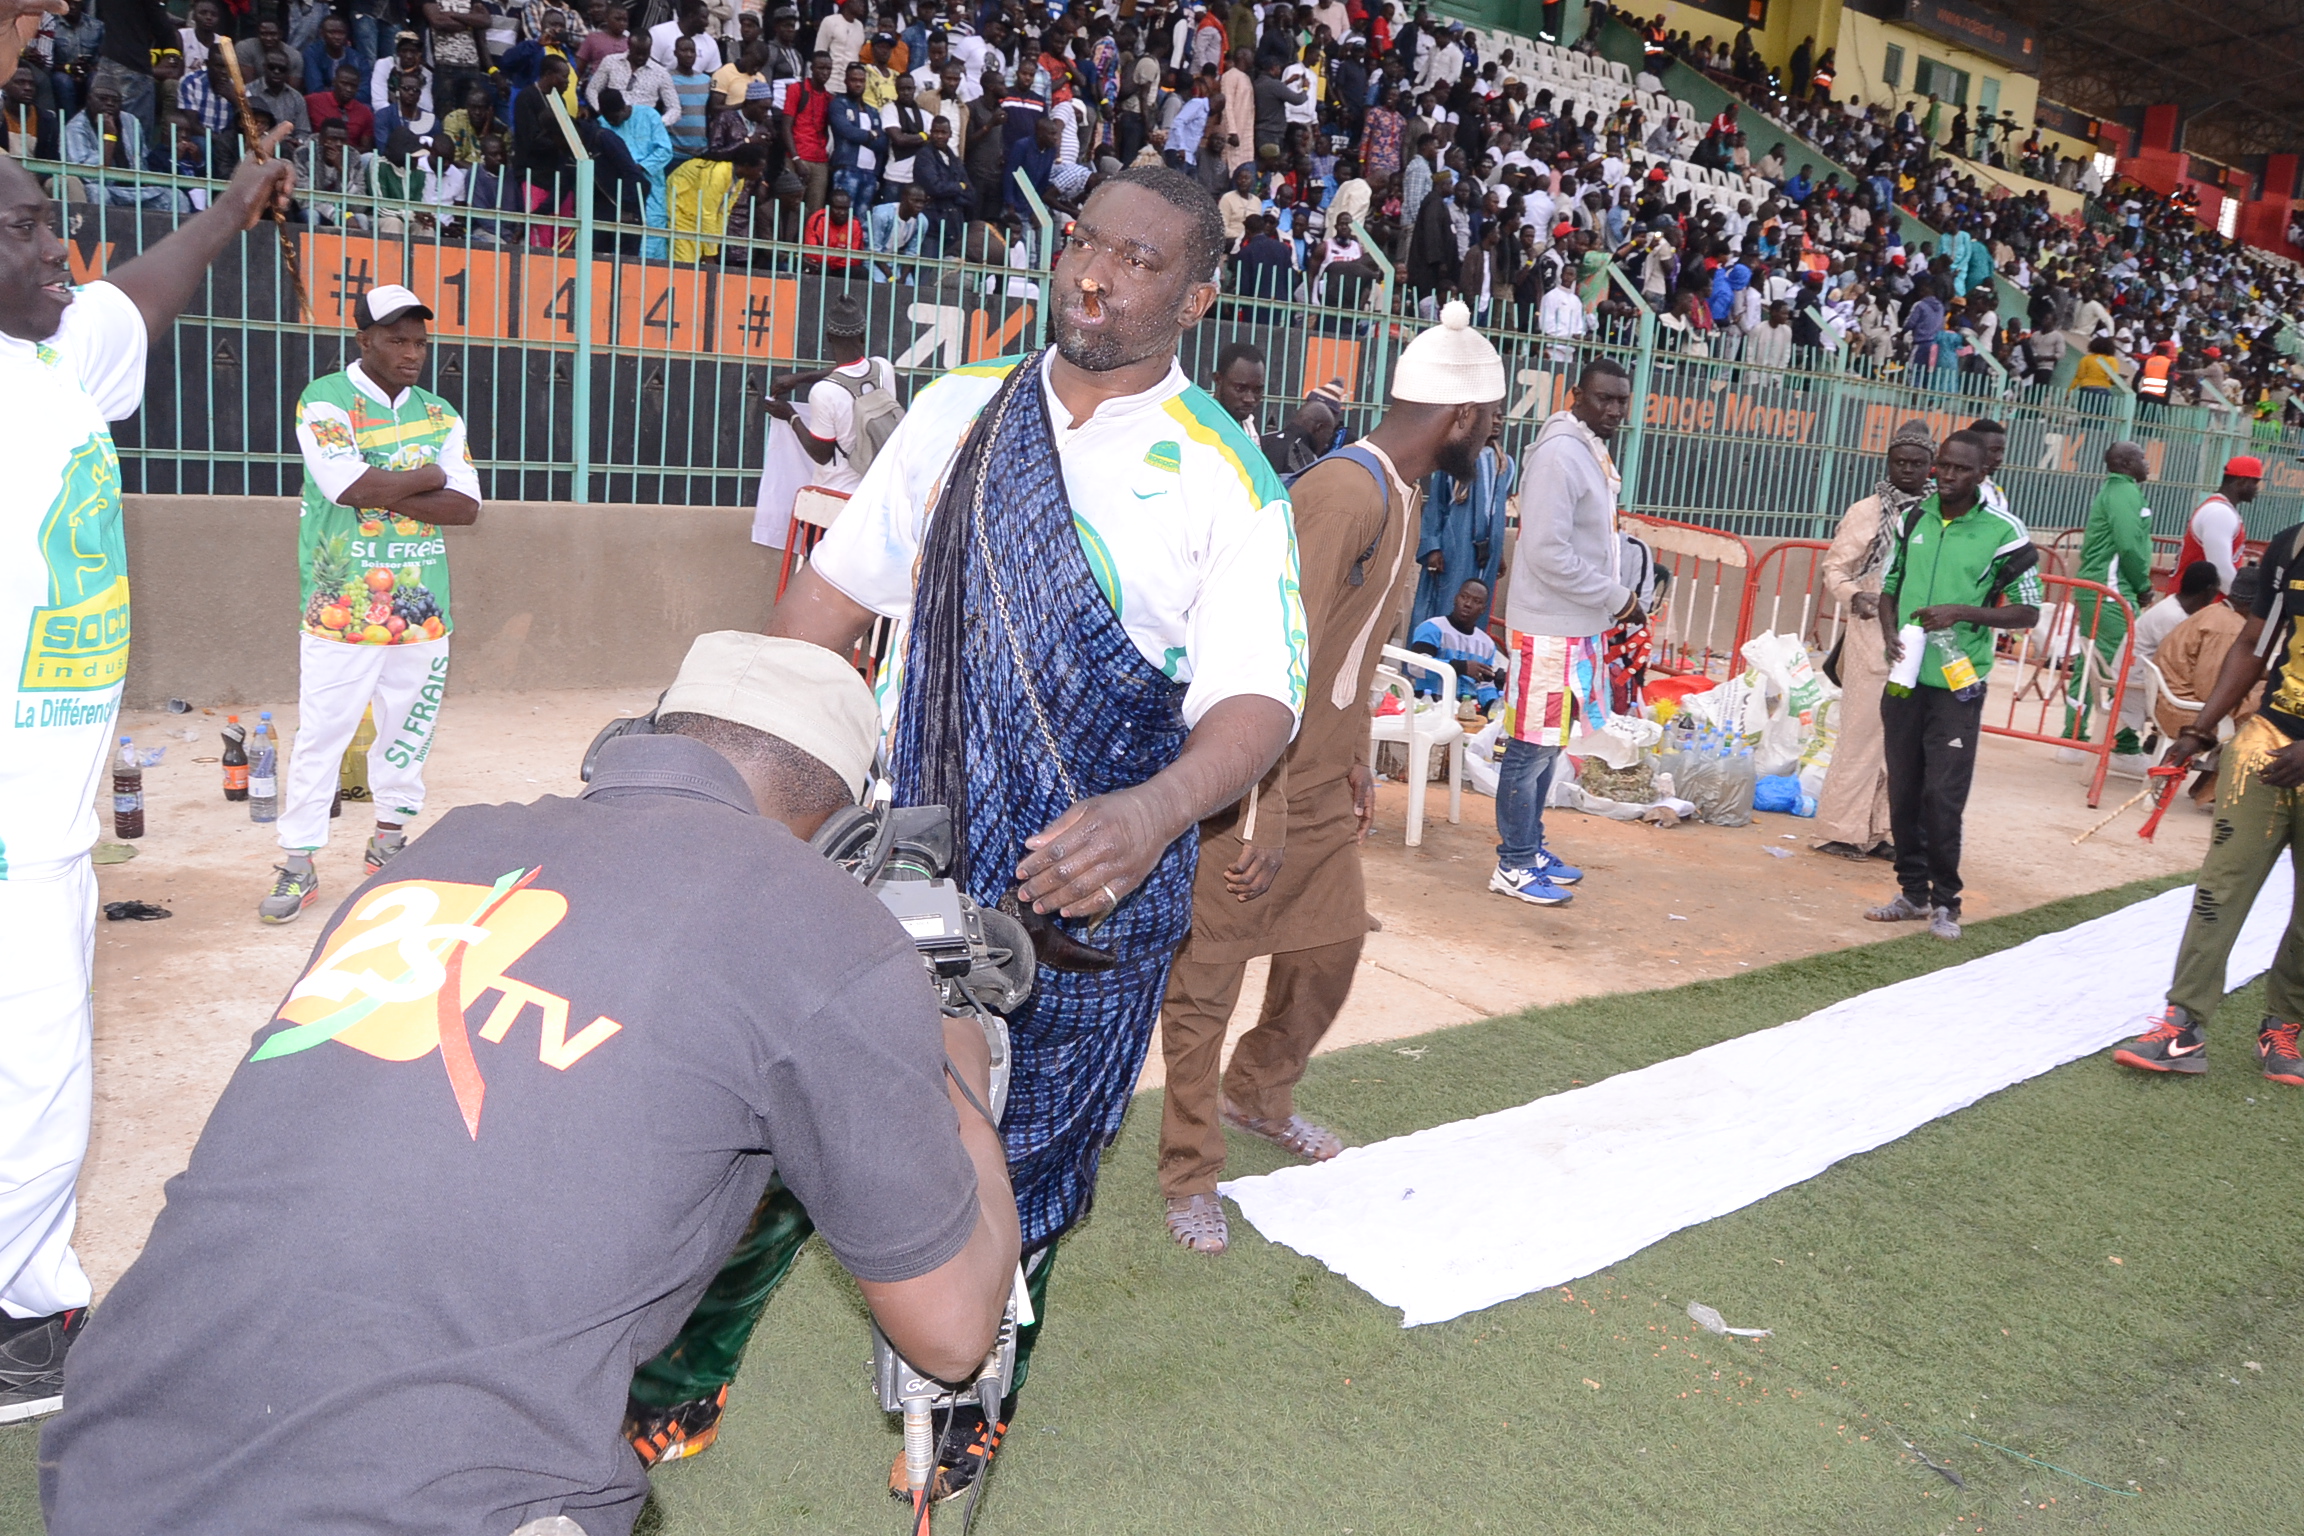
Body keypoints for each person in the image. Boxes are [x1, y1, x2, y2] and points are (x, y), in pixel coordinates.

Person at [40, 633, 1020, 1535]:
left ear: (628, 745)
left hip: (114, 1464)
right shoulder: (822, 924)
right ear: (851, 840)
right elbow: (949, 1333)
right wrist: (955, 1051)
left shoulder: (442, 851)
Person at [742, 164, 1304, 1497]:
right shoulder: (952, 416)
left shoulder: (1228, 481)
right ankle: (673, 1382)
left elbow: (1258, 703)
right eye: (1083, 245)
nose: (1097, 276)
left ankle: (976, 1411)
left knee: (1029, 1183)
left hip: (1085, 906)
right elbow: (833, 607)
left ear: (1198, 289)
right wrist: (730, 763)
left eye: (1141, 259)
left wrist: (1160, 806)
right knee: (802, 1127)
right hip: (907, 863)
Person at [0, 119, 295, 1425]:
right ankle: (20, 1326)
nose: (54, 243)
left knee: (42, 1061)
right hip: (10, 831)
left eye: (44, 214)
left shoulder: (50, 350)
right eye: (17, 228)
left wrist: (235, 207)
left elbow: (136, 296)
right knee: (34, 1073)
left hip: (47, 824)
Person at [1155, 299, 1504, 1258]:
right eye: (1495, 423)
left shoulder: (1407, 488)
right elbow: (1269, 653)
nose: (1494, 441)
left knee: (1331, 950)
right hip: (1255, 783)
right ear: (1462, 418)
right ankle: (1190, 1172)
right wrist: (1256, 806)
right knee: (1206, 986)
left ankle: (1261, 1093)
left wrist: (1351, 758)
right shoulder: (1347, 494)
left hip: (1315, 780)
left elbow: (1346, 654)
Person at [258, 285, 482, 925]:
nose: (412, 354)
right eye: (396, 340)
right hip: (341, 605)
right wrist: (424, 477)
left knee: (407, 733)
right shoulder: (326, 400)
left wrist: (377, 487)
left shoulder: (440, 413)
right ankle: (298, 862)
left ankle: (389, 842)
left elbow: (465, 509)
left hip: (421, 609)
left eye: (419, 342)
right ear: (364, 340)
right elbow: (343, 484)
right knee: (322, 736)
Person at [2112, 519, 2304, 1085]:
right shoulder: (2292, 545)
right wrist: (2201, 725)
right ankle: (2182, 1024)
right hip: (2268, 743)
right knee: (2220, 889)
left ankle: (2285, 1027)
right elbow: (2254, 642)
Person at [1866, 431, 2041, 943]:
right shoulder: (1913, 518)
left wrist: (1964, 613)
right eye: (1942, 466)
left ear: (1982, 473)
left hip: (1958, 686)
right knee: (1903, 789)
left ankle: (1946, 902)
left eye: (1959, 469)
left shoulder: (2003, 531)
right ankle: (1911, 894)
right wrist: (1889, 631)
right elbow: (1890, 587)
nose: (1946, 476)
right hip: (1905, 680)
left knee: (1942, 795)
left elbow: (2027, 610)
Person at [1491, 356, 1637, 907]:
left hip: (1574, 626)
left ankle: (1530, 846)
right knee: (1529, 751)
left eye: (1623, 400)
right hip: (1548, 630)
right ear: (1575, 395)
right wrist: (1615, 597)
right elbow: (1547, 552)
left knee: (1550, 749)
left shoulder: (1590, 449)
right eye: (1604, 399)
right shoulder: (1559, 455)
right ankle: (1513, 864)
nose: (1615, 410)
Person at [1813, 421, 1934, 860]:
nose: (1907, 470)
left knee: (1904, 742)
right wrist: (1855, 595)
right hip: (1868, 633)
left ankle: (1886, 832)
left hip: (1916, 635)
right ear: (1888, 463)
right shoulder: (1866, 511)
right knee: (1862, 734)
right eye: (1899, 463)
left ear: (1930, 467)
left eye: (1917, 464)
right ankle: (1840, 830)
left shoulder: (1939, 513)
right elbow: (1835, 570)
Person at [2062, 440, 2154, 756]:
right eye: (2143, 458)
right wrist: (2143, 584)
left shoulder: (2114, 491)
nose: (2148, 463)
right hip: (2112, 589)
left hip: (2098, 588)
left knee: (2091, 662)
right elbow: (2128, 545)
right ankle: (2124, 743)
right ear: (2127, 463)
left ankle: (2072, 736)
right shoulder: (2125, 493)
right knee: (2130, 663)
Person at [762, 293, 894, 497]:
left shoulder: (824, 392)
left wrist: (790, 416)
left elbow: (821, 454)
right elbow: (853, 370)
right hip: (877, 492)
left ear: (829, 338)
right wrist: (800, 378)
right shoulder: (884, 369)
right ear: (863, 336)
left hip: (836, 497)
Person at [2153, 564, 2258, 806]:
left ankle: (2206, 788)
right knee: (2268, 710)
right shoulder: (2228, 628)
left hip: (2172, 698)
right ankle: (2215, 792)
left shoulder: (2215, 612)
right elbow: (2211, 690)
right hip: (2183, 711)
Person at [1410, 422, 1511, 630]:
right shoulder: (1455, 460)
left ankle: (1467, 659)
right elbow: (1436, 504)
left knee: (1476, 609)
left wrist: (1498, 551)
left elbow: (1498, 511)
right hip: (1455, 547)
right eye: (1492, 416)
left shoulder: (1504, 464)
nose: (1497, 422)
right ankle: (1433, 659)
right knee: (1447, 603)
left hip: (1487, 555)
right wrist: (1433, 547)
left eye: (1501, 416)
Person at [1412, 577, 1504, 711]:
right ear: (1456, 598)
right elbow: (1416, 666)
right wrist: (1461, 667)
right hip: (1429, 706)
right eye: (1464, 597)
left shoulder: (1487, 643)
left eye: (1476, 601)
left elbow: (1485, 686)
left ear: (1483, 609)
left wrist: (1493, 707)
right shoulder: (1432, 628)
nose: (1468, 604)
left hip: (1469, 711)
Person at [2175, 455, 2262, 594]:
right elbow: (2220, 569)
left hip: (2198, 603)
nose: (2257, 488)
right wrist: (2241, 599)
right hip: (2196, 605)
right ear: (2242, 480)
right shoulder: (2220, 513)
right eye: (2255, 482)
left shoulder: (2219, 509)